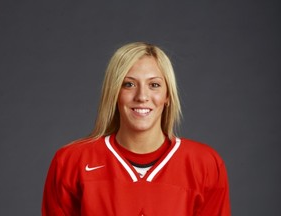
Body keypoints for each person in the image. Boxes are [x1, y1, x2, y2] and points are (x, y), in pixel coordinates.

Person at [42, 42, 231, 215]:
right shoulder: (71, 162)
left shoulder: (204, 164)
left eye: (154, 85)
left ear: (167, 96)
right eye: (129, 84)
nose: (142, 96)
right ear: (114, 93)